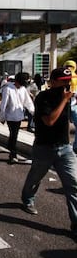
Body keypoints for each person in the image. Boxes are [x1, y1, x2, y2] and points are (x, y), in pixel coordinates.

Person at [21, 67, 77, 240]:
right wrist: (64, 101)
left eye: (69, 81)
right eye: (63, 81)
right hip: (44, 148)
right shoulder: (43, 98)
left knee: (73, 185)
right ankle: (27, 198)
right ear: (53, 82)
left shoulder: (69, 98)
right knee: (35, 178)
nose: (67, 84)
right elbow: (50, 120)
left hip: (65, 149)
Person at [0, 72, 35, 164]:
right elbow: (3, 104)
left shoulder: (23, 89)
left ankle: (10, 147)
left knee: (14, 134)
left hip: (19, 116)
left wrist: (34, 112)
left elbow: (28, 102)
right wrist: (2, 117)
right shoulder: (8, 88)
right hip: (10, 117)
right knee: (14, 134)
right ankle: (13, 154)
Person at [63, 60, 77, 153]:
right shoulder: (76, 77)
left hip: (64, 105)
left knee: (64, 127)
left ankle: (66, 145)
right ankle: (74, 146)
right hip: (73, 105)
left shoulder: (62, 76)